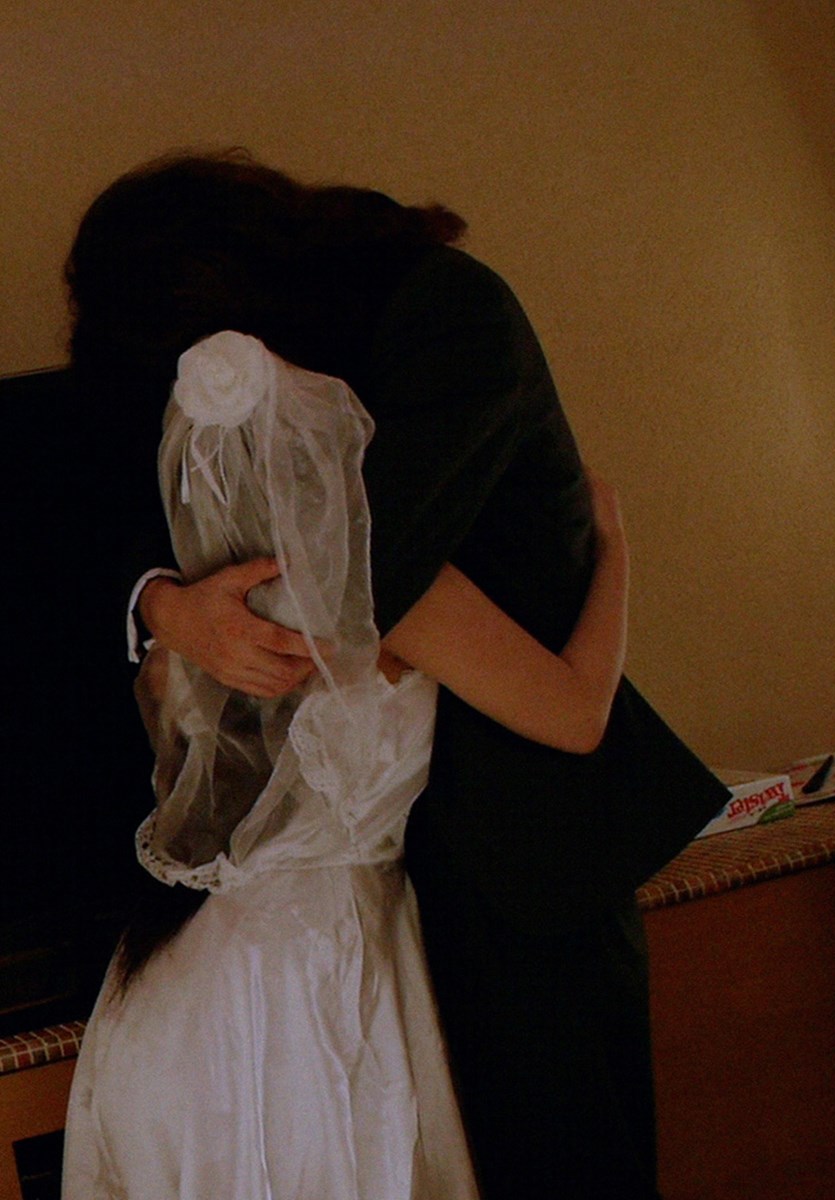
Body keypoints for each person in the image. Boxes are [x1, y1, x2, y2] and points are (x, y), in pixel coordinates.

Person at [63, 151, 728, 1199]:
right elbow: (570, 708)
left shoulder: (212, 614)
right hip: (357, 967)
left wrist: (170, 608)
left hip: (226, 987)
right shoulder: (347, 580)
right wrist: (617, 552)